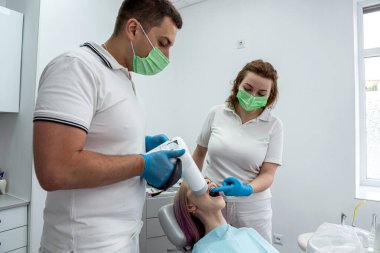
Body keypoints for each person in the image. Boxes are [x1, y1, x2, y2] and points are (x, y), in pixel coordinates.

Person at [33, 1, 184, 252]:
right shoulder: (77, 67)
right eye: (163, 43)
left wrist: (140, 143)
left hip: (122, 240)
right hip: (83, 245)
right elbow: (55, 169)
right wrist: (142, 163)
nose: (167, 57)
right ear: (134, 29)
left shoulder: (122, 77)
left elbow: (100, 139)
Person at [192, 59, 283, 243]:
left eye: (261, 93)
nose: (253, 95)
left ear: (270, 96)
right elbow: (199, 154)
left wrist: (247, 189)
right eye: (248, 88)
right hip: (213, 205)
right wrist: (193, 187)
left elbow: (268, 174)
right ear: (237, 84)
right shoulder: (216, 113)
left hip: (252, 209)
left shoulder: (274, 126)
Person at [173, 180, 279, 253]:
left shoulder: (248, 232)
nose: (208, 182)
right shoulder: (203, 250)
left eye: (207, 180)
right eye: (197, 185)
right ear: (190, 206)